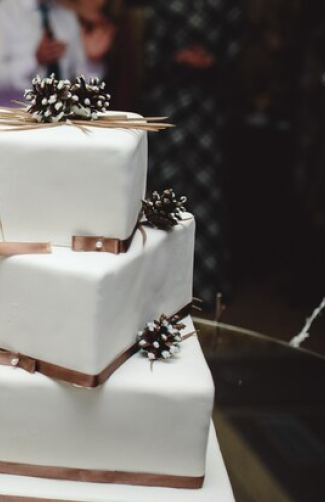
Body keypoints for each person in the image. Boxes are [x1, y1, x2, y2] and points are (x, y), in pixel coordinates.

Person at [143, 0, 243, 307]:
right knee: (163, 195)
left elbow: (236, 52)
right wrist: (177, 58)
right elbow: (149, 57)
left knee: (206, 198)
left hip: (206, 109)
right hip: (170, 106)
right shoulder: (162, 7)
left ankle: (207, 287)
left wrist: (212, 61)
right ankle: (156, 287)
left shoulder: (227, 7)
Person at [0, 0, 104, 107]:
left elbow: (81, 84)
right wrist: (34, 61)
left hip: (62, 124)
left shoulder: (67, 16)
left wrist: (92, 61)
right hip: (13, 126)